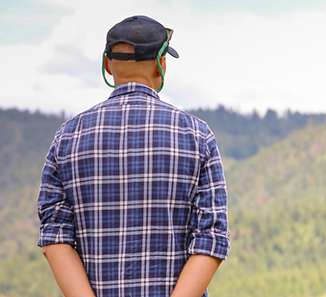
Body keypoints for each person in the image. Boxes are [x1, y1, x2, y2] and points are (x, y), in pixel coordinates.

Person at [37, 15, 230, 297]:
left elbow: (54, 238)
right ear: (160, 65)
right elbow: (211, 239)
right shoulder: (198, 136)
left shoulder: (66, 136)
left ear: (107, 65)